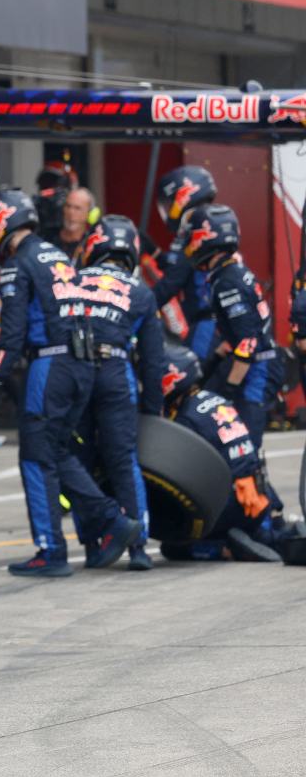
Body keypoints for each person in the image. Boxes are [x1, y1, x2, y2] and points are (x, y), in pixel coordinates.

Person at [0, 188, 144, 577]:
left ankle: (51, 549)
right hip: (83, 366)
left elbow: (13, 332)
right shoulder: (57, 256)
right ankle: (112, 521)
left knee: (35, 456)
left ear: (0, 223)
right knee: (56, 450)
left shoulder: (19, 264)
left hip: (51, 364)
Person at [73, 214, 164, 571]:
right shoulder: (141, 293)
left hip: (76, 371)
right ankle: (139, 547)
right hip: (115, 372)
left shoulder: (74, 280)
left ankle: (94, 543)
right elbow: (153, 361)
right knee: (123, 461)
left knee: (79, 459)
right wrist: (153, 413)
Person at [160, 346, 284, 562]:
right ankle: (268, 533)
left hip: (229, 506)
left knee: (171, 548)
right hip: (259, 499)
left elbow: (185, 479)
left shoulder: (185, 420)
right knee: (265, 533)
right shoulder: (216, 399)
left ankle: (223, 549)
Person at [180, 204, 283, 456]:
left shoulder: (227, 281)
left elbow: (247, 342)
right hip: (255, 361)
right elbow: (236, 337)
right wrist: (213, 363)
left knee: (243, 447)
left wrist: (228, 389)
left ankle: (253, 491)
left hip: (258, 367)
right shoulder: (228, 272)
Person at [150, 165, 218, 359]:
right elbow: (183, 267)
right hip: (221, 322)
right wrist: (155, 253)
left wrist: (135, 305)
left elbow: (171, 282)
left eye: (169, 204)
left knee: (195, 380)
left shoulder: (195, 232)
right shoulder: (214, 223)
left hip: (206, 324)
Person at [55, 187, 97, 262]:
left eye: (77, 208)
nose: (71, 212)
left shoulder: (93, 245)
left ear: (90, 214)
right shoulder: (48, 238)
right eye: (68, 206)